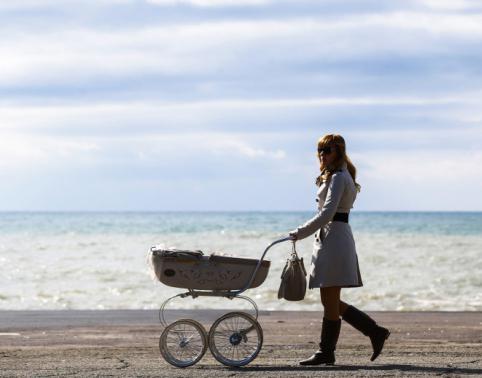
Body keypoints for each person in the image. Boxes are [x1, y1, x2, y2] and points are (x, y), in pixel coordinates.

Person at [288, 133, 390, 366]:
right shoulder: (335, 176)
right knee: (329, 300)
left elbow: (327, 214)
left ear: (339, 152)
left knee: (330, 299)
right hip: (330, 238)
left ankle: (328, 351)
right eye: (320, 151)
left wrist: (299, 232)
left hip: (334, 239)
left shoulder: (339, 177)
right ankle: (374, 332)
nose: (322, 155)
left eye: (327, 150)